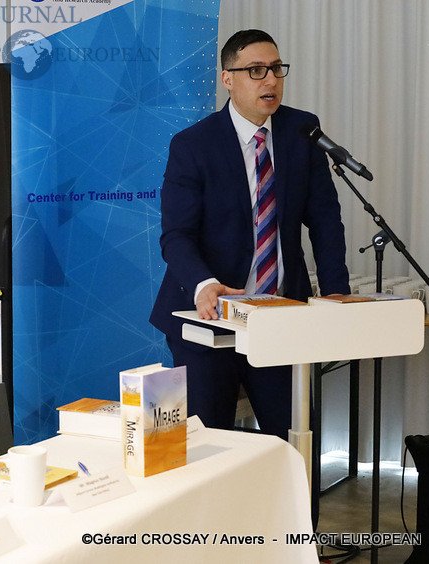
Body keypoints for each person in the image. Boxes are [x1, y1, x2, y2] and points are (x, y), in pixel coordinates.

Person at [149, 30, 350, 440]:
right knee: (209, 445)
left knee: (295, 440)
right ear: (228, 79)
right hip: (208, 320)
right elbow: (176, 235)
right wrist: (204, 284)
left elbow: (325, 220)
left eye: (276, 69)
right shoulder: (193, 145)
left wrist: (335, 294)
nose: (270, 80)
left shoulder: (302, 131)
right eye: (256, 70)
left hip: (279, 316)